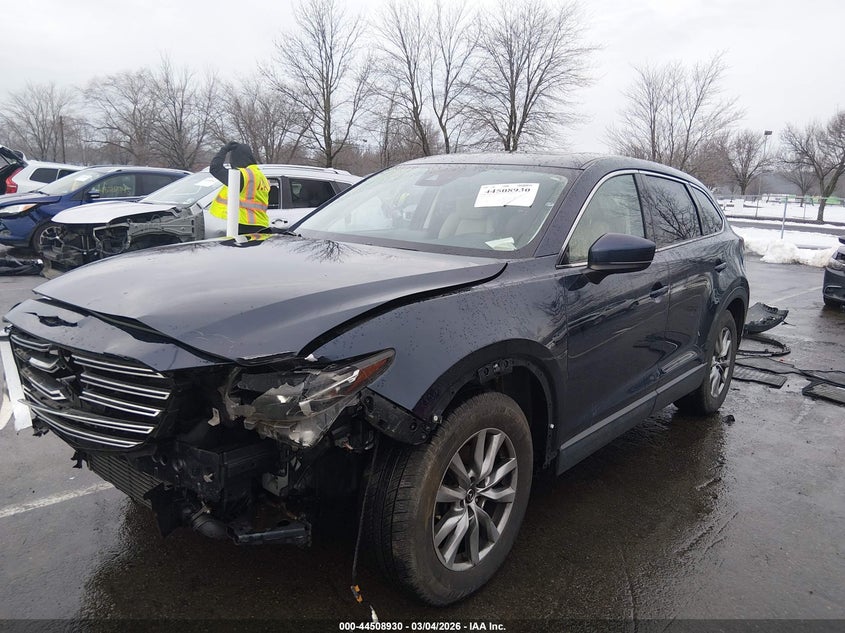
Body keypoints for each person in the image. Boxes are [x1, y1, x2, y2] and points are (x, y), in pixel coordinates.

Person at [209, 141, 270, 234]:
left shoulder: (242, 175)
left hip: (244, 225)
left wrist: (224, 150)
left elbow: (215, 168)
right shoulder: (260, 176)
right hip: (260, 224)